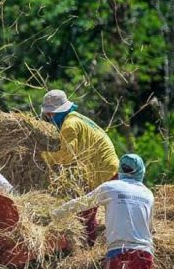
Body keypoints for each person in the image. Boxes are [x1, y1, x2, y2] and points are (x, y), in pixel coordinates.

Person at [50, 154, 154, 269]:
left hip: (120, 251)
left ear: (120, 170)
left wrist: (53, 214)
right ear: (141, 171)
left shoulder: (110, 187)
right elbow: (150, 228)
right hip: (145, 254)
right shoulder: (148, 194)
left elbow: (81, 203)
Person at [40, 89, 119, 246]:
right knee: (88, 210)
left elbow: (68, 156)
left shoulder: (69, 125)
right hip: (107, 167)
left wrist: (44, 157)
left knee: (85, 213)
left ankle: (88, 249)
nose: (49, 118)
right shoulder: (78, 118)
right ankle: (92, 244)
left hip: (103, 171)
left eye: (50, 114)